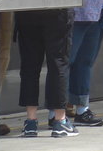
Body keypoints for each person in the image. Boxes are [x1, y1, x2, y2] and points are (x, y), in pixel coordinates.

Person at [14, 8, 77, 138]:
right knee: (58, 64)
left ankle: (30, 122)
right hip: (58, 8)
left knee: (29, 65)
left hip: (28, 9)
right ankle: (60, 120)